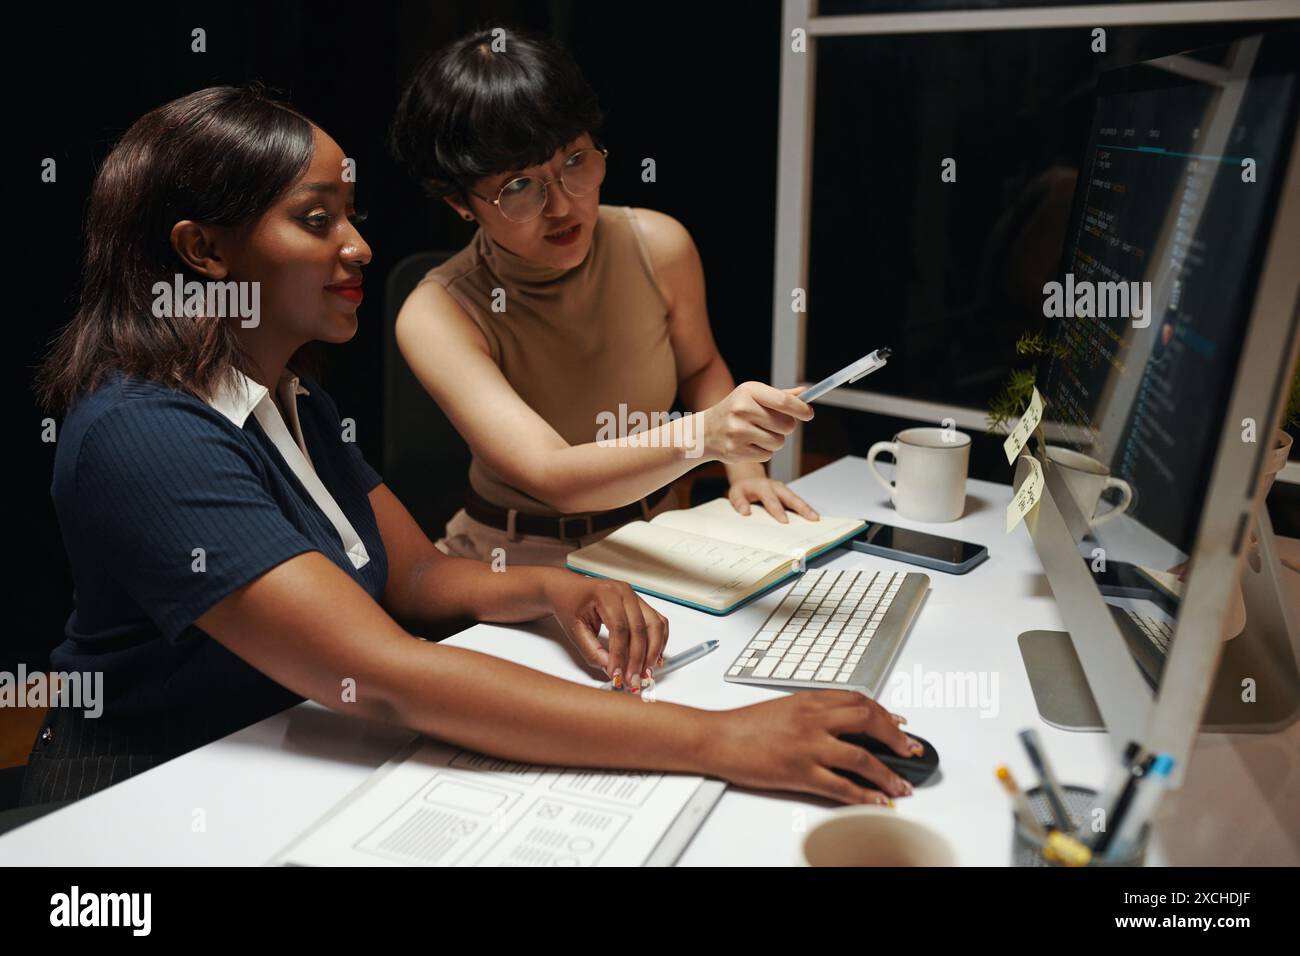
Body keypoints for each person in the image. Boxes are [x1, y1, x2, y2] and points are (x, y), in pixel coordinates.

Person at [25, 86, 920, 809]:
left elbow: (412, 581)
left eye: (352, 215)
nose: (360, 246)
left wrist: (550, 588)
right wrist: (720, 738)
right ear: (203, 252)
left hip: (288, 752)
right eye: (316, 220)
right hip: (151, 796)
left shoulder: (290, 395)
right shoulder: (142, 432)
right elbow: (380, 675)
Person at [389, 27, 820, 568]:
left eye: (575, 162)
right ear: (460, 203)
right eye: (519, 188)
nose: (563, 207)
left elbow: (701, 366)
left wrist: (747, 473)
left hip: (662, 535)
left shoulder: (658, 245)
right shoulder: (438, 312)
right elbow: (553, 476)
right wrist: (708, 435)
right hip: (516, 557)